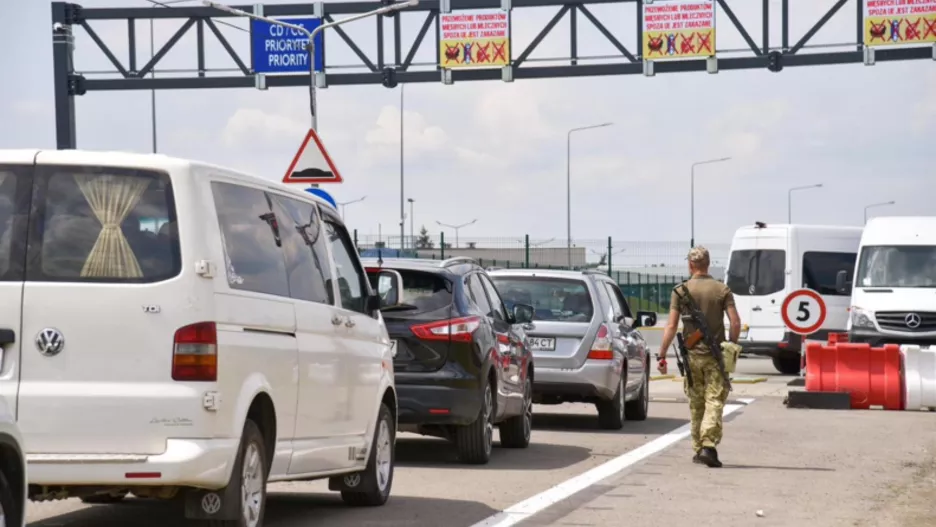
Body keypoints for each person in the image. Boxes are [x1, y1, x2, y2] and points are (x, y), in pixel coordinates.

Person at [657, 246, 741, 468]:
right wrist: (732, 345)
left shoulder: (680, 291)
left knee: (696, 403)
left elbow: (672, 325)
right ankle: (708, 445)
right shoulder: (722, 290)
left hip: (692, 356)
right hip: (715, 357)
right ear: (708, 264)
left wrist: (662, 354)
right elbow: (734, 322)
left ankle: (698, 448)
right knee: (714, 400)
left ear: (690, 265)